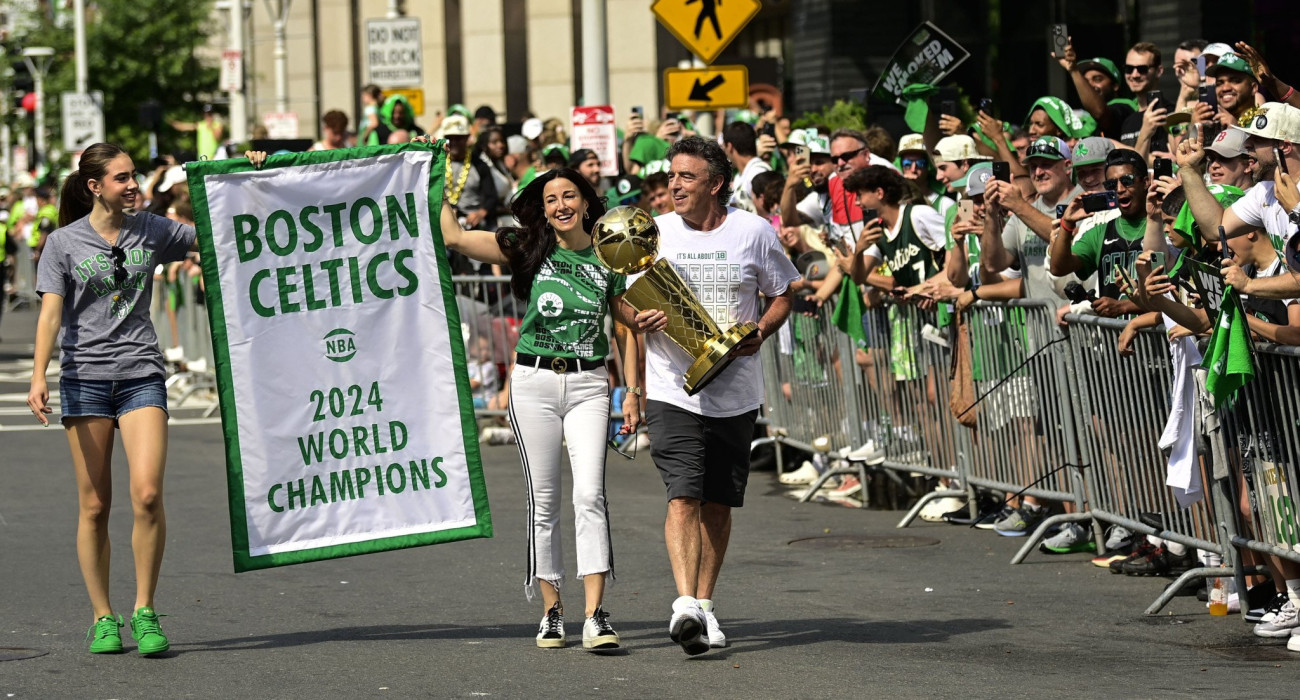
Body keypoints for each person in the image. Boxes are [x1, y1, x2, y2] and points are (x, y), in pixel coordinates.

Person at [25, 142, 259, 655]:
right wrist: (39, 375)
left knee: (148, 494)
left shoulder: (152, 229)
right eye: (123, 178)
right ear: (95, 186)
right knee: (95, 505)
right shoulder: (62, 244)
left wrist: (246, 175)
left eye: (134, 177)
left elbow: (219, 232)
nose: (134, 185)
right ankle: (103, 615)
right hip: (85, 380)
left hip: (141, 374)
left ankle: (145, 609)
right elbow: (49, 314)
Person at [433, 159, 641, 652]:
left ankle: (595, 615)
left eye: (569, 196)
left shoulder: (611, 254)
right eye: (550, 200)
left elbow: (628, 326)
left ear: (587, 202)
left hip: (591, 384)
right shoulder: (527, 247)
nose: (561, 205)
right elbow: (457, 238)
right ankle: (552, 611)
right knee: (543, 501)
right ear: (542, 211)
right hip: (533, 385)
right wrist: (430, 176)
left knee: (590, 495)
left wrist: (631, 390)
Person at [629, 136, 799, 655]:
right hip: (671, 389)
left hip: (734, 391)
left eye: (686, 177)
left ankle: (704, 606)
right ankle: (684, 604)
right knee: (683, 495)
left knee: (718, 505)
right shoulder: (653, 234)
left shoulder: (753, 232)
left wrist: (761, 331)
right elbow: (624, 301)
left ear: (716, 184)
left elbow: (783, 293)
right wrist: (637, 319)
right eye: (671, 175)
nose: (673, 185)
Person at [722, 120, 771, 211]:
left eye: (724, 147)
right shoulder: (739, 176)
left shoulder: (758, 172)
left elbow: (771, 214)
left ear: (729, 147)